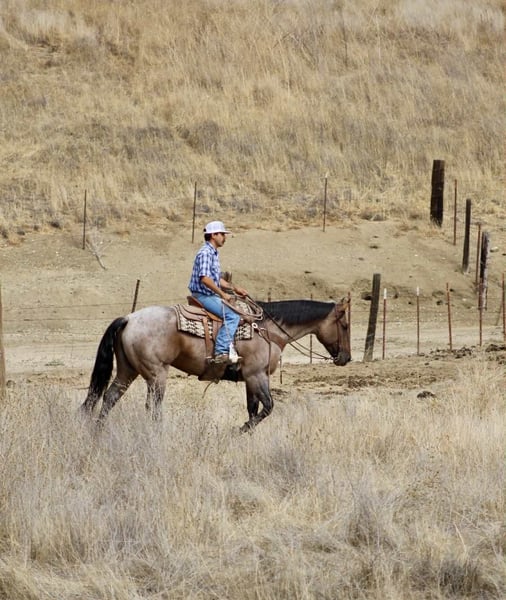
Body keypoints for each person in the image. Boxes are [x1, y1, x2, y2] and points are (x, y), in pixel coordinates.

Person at [189, 220, 248, 364]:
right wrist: (223, 294)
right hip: (203, 295)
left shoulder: (213, 253)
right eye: (222, 234)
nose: (224, 237)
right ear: (213, 235)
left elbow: (216, 279)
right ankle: (221, 351)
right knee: (232, 316)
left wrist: (234, 288)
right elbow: (205, 278)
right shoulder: (205, 253)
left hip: (208, 294)